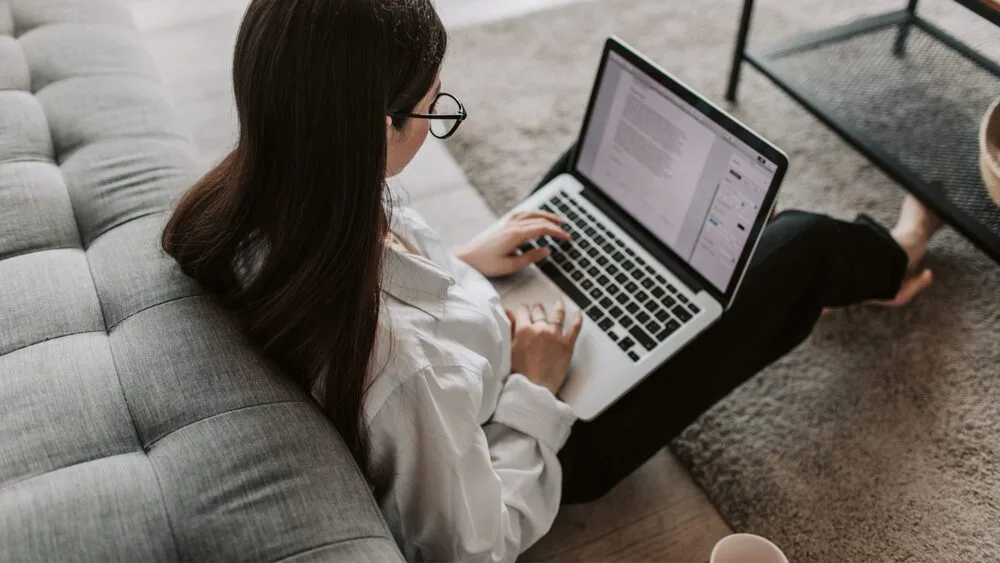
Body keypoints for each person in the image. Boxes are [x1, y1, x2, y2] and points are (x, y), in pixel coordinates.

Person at [161, 0, 944, 561]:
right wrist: (537, 387)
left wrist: (464, 261)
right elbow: (476, 541)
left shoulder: (269, 195)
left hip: (485, 338)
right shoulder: (398, 371)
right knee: (795, 247)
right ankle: (895, 256)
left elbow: (378, 292)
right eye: (435, 114)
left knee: (585, 184)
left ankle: (624, 247)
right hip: (547, 430)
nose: (437, 124)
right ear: (376, 129)